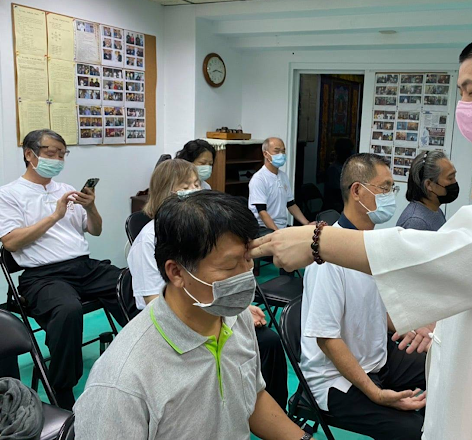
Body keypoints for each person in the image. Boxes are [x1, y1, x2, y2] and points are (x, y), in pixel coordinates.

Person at [250, 32, 472, 439]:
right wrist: (438, 319)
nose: (463, 108)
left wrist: (319, 240)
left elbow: (463, 256)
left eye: (471, 93)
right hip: (413, 372)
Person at [75, 191, 312, 439]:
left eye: (248, 260)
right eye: (231, 266)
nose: (246, 276)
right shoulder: (124, 379)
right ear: (176, 272)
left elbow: (250, 396)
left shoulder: (232, 315)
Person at [128, 160, 289, 408]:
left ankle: (269, 409)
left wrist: (237, 308)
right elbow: (153, 301)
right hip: (182, 322)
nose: (195, 189)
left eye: (196, 183)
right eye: (185, 186)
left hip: (209, 311)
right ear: (165, 191)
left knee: (269, 342)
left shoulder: (207, 231)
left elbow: (211, 281)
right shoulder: (149, 239)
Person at [0, 129, 133, 410]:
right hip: (42, 276)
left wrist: (92, 207)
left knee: (128, 281)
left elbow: (95, 231)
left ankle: (143, 353)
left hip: (82, 266)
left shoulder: (66, 189)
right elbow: (11, 242)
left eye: (62, 154)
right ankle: (62, 388)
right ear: (29, 155)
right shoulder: (9, 194)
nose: (58, 159)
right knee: (67, 310)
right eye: (51, 153)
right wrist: (55, 216)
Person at [301, 154, 427, 440]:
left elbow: (376, 310)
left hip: (376, 359)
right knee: (414, 431)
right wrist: (377, 394)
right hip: (334, 380)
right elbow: (327, 338)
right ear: (357, 191)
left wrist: (415, 326)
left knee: (441, 364)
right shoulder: (328, 258)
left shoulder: (372, 245)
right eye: (384, 188)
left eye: (392, 189)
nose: (390, 197)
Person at [248, 137, 313, 234]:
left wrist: (307, 223)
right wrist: (277, 234)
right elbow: (262, 212)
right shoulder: (259, 179)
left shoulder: (283, 176)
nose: (281, 155)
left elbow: (291, 204)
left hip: (282, 227)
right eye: (277, 151)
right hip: (263, 228)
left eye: (283, 151)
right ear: (265, 154)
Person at [397, 150, 457, 231]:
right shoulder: (416, 222)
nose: (454, 182)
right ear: (429, 184)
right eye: (450, 178)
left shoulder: (435, 210)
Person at [324, 138, 354, 212]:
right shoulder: (334, 169)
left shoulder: (346, 167)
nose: (350, 155)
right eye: (348, 152)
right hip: (335, 206)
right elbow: (337, 193)